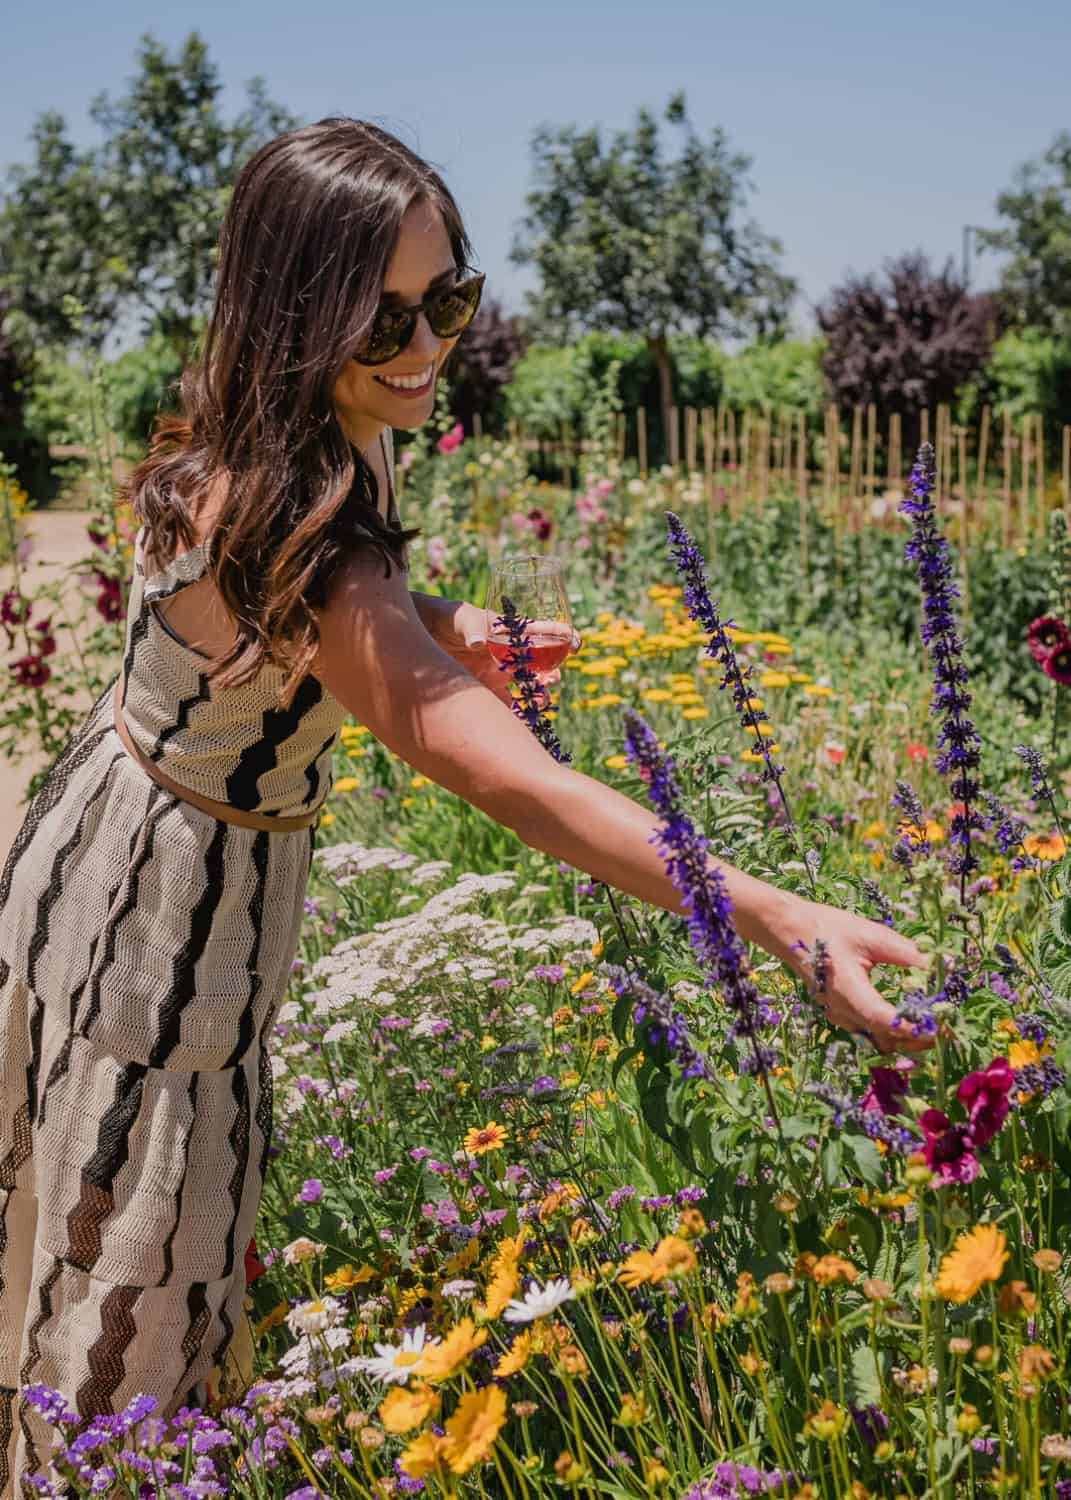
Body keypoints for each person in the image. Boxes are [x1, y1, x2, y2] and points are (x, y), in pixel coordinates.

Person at [0, 116, 929, 1491]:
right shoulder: (298, 502)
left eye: (451, 299)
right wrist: (774, 916)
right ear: (297, 310)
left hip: (110, 838)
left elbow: (303, 615)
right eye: (385, 320)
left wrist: (434, 626)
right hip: (161, 926)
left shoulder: (308, 425)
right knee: (126, 1324)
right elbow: (500, 771)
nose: (429, 348)